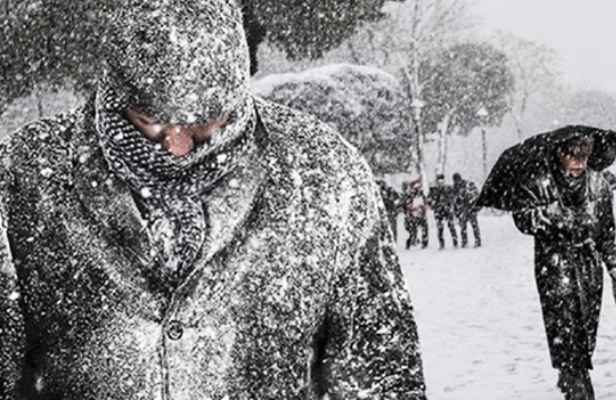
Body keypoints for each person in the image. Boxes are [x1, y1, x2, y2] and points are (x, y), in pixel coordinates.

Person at [0, 1, 426, 398]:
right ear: (114, 93)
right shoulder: (26, 175)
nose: (180, 147)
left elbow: (380, 367)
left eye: (206, 122)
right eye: (151, 122)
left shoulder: (324, 173)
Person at [511, 135, 616, 400]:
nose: (578, 162)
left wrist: (614, 263)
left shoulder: (599, 184)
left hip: (589, 270)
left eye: (584, 155)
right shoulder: (541, 183)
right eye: (572, 154)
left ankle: (571, 370)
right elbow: (523, 218)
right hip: (555, 268)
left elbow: (607, 232)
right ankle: (577, 384)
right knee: (565, 330)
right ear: (559, 153)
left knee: (586, 332)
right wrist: (555, 218)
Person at [428, 174, 458, 249]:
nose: (440, 182)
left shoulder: (448, 188)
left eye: (442, 180)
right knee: (440, 228)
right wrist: (433, 205)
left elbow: (453, 198)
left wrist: (450, 204)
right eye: (439, 180)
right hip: (439, 211)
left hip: (447, 210)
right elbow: (429, 200)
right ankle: (442, 244)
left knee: (451, 226)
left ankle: (455, 242)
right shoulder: (433, 190)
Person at [452, 173, 482, 248]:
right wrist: (456, 212)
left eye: (457, 180)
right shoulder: (455, 188)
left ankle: (476, 241)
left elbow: (474, 196)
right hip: (463, 210)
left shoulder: (466, 185)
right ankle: (466, 242)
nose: (457, 181)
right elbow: (454, 202)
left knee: (472, 226)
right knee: (464, 227)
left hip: (468, 209)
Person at [403, 179, 429, 249]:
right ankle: (412, 242)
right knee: (413, 231)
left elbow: (425, 204)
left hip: (421, 215)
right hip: (412, 216)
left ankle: (424, 242)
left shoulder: (421, 195)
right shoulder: (409, 196)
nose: (418, 190)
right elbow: (406, 206)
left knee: (424, 229)